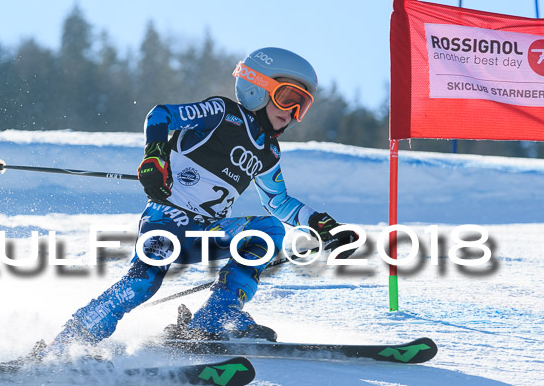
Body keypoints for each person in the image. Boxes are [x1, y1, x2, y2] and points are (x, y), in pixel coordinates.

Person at [45, 47, 356, 355]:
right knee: (142, 285)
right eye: (288, 98)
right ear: (257, 88)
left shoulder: (269, 153)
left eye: (301, 106)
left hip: (205, 234)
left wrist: (323, 225)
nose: (291, 112)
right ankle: (67, 344)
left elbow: (279, 202)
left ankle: (214, 317)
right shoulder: (223, 113)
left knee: (270, 229)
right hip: (166, 221)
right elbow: (161, 115)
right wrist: (154, 157)